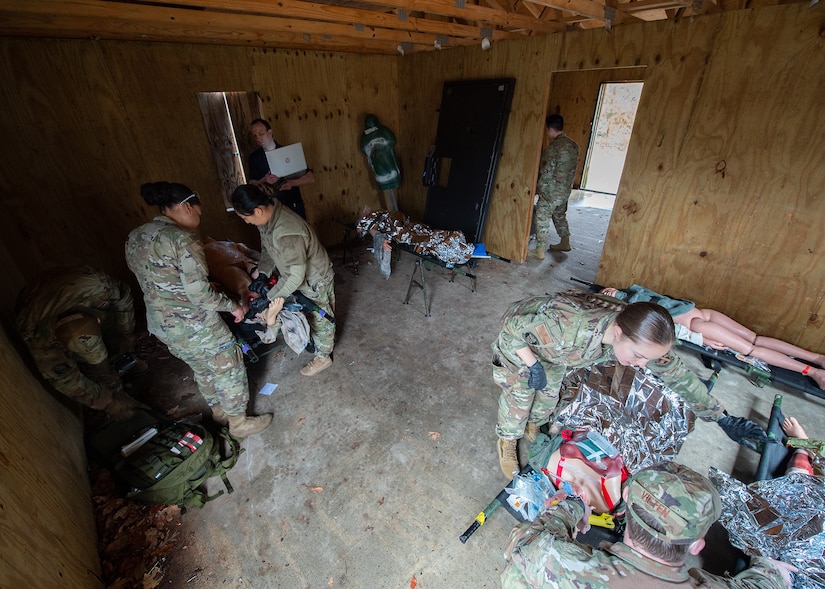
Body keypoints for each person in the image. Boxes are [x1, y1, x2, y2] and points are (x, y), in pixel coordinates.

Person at [492, 291, 766, 477]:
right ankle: (507, 439)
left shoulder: (639, 333)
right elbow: (510, 329)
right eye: (638, 356)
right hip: (520, 349)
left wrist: (721, 416)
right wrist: (532, 364)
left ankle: (533, 425)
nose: (642, 365)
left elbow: (677, 374)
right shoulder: (566, 325)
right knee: (520, 399)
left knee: (547, 398)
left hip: (555, 353)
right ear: (619, 333)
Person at [125, 182, 272, 438]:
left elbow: (157, 279)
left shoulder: (136, 235)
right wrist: (233, 306)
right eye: (199, 211)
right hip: (193, 323)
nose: (199, 217)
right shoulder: (181, 239)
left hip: (161, 325)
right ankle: (239, 423)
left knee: (202, 368)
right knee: (228, 362)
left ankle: (219, 413)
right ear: (186, 206)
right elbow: (200, 295)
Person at [501, 461, 794, 588]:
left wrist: (571, 507)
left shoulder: (563, 566)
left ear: (626, 500)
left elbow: (525, 542)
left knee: (517, 574)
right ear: (696, 544)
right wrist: (771, 570)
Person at [600, 284, 825, 389]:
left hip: (698, 324)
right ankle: (814, 360)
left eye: (608, 292)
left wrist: (702, 339)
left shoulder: (632, 303)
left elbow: (667, 328)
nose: (608, 293)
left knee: (752, 347)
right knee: (753, 341)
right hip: (699, 315)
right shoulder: (634, 297)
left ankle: (814, 367)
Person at [232, 184, 336, 377]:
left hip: (314, 277)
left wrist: (270, 297)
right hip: (297, 275)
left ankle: (324, 356)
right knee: (309, 313)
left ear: (257, 210)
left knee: (321, 317)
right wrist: (263, 272)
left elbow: (295, 276)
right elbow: (268, 250)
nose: (247, 222)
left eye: (246, 218)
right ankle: (317, 341)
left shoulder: (287, 230)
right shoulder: (267, 220)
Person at [15, 265, 143, 418]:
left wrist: (126, 332)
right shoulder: (36, 338)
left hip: (66, 280)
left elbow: (123, 299)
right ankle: (92, 367)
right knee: (84, 365)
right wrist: (106, 402)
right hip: (31, 300)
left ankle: (110, 359)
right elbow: (64, 379)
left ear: (96, 320)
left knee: (114, 332)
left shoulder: (97, 287)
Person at [529, 114, 579, 259]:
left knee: (541, 218)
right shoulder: (573, 145)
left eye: (547, 130)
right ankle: (565, 242)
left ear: (550, 129)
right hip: (565, 190)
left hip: (551, 192)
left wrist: (539, 189)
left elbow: (546, 172)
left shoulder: (553, 148)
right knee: (559, 215)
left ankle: (539, 251)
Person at [247, 118, 315, 220]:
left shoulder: (289, 152)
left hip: (293, 205)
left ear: (270, 132)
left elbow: (310, 178)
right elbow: (252, 183)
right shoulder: (254, 157)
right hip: (269, 209)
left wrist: (292, 183)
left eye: (261, 133)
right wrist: (264, 180)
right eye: (255, 135)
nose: (258, 138)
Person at [359, 114, 401, 211]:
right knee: (388, 194)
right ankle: (392, 216)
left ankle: (394, 216)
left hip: (388, 168)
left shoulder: (381, 132)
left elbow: (392, 141)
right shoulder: (374, 134)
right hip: (384, 171)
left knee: (392, 193)